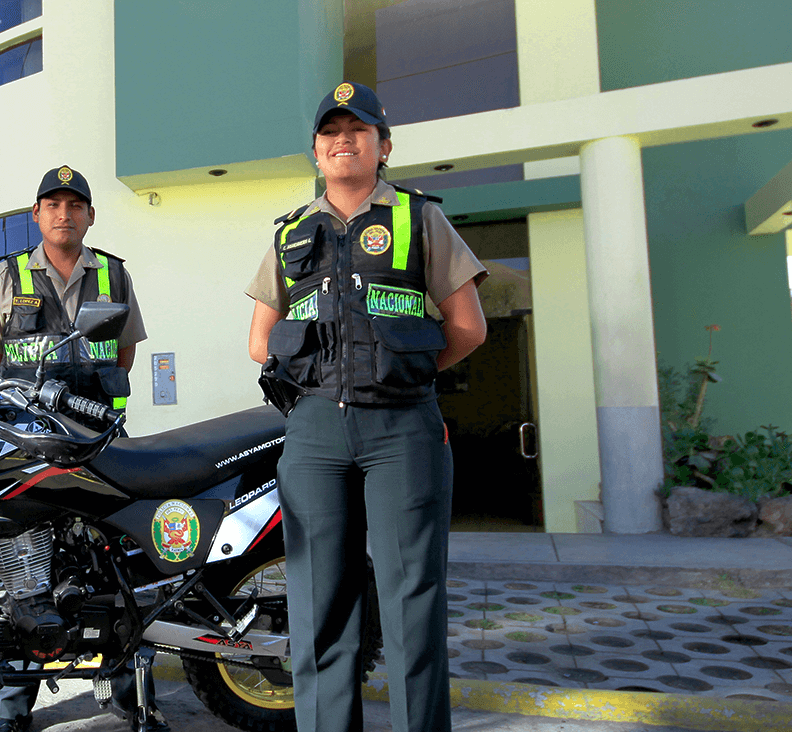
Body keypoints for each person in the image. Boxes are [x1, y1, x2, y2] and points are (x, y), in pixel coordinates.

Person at [246, 82, 488, 732]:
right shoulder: (293, 232)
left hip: (402, 427)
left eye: (358, 130)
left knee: (411, 601)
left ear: (384, 146)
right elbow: (258, 341)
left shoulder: (419, 218)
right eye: (330, 132)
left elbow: (468, 327)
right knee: (321, 602)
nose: (342, 141)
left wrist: (399, 375)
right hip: (315, 430)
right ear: (316, 152)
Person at [0, 165, 167, 732]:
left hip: (100, 445)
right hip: (28, 445)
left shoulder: (114, 275)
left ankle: (127, 690)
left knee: (117, 564)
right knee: (24, 572)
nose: (64, 213)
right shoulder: (6, 276)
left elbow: (124, 356)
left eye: (75, 204)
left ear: (90, 215)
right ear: (37, 215)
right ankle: (12, 708)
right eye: (52, 204)